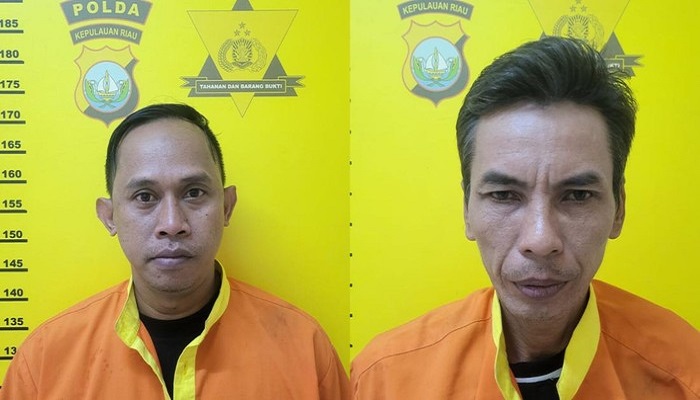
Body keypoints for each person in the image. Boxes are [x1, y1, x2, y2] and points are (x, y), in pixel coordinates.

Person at [351, 37, 700, 399]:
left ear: (619, 209)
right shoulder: (384, 380)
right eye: (504, 195)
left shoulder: (686, 375)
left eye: (578, 195)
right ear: (467, 210)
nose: (540, 240)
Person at [0, 103, 350, 400]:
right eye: (145, 197)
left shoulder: (305, 350)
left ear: (226, 207)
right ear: (109, 216)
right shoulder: (44, 362)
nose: (172, 223)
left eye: (194, 192)